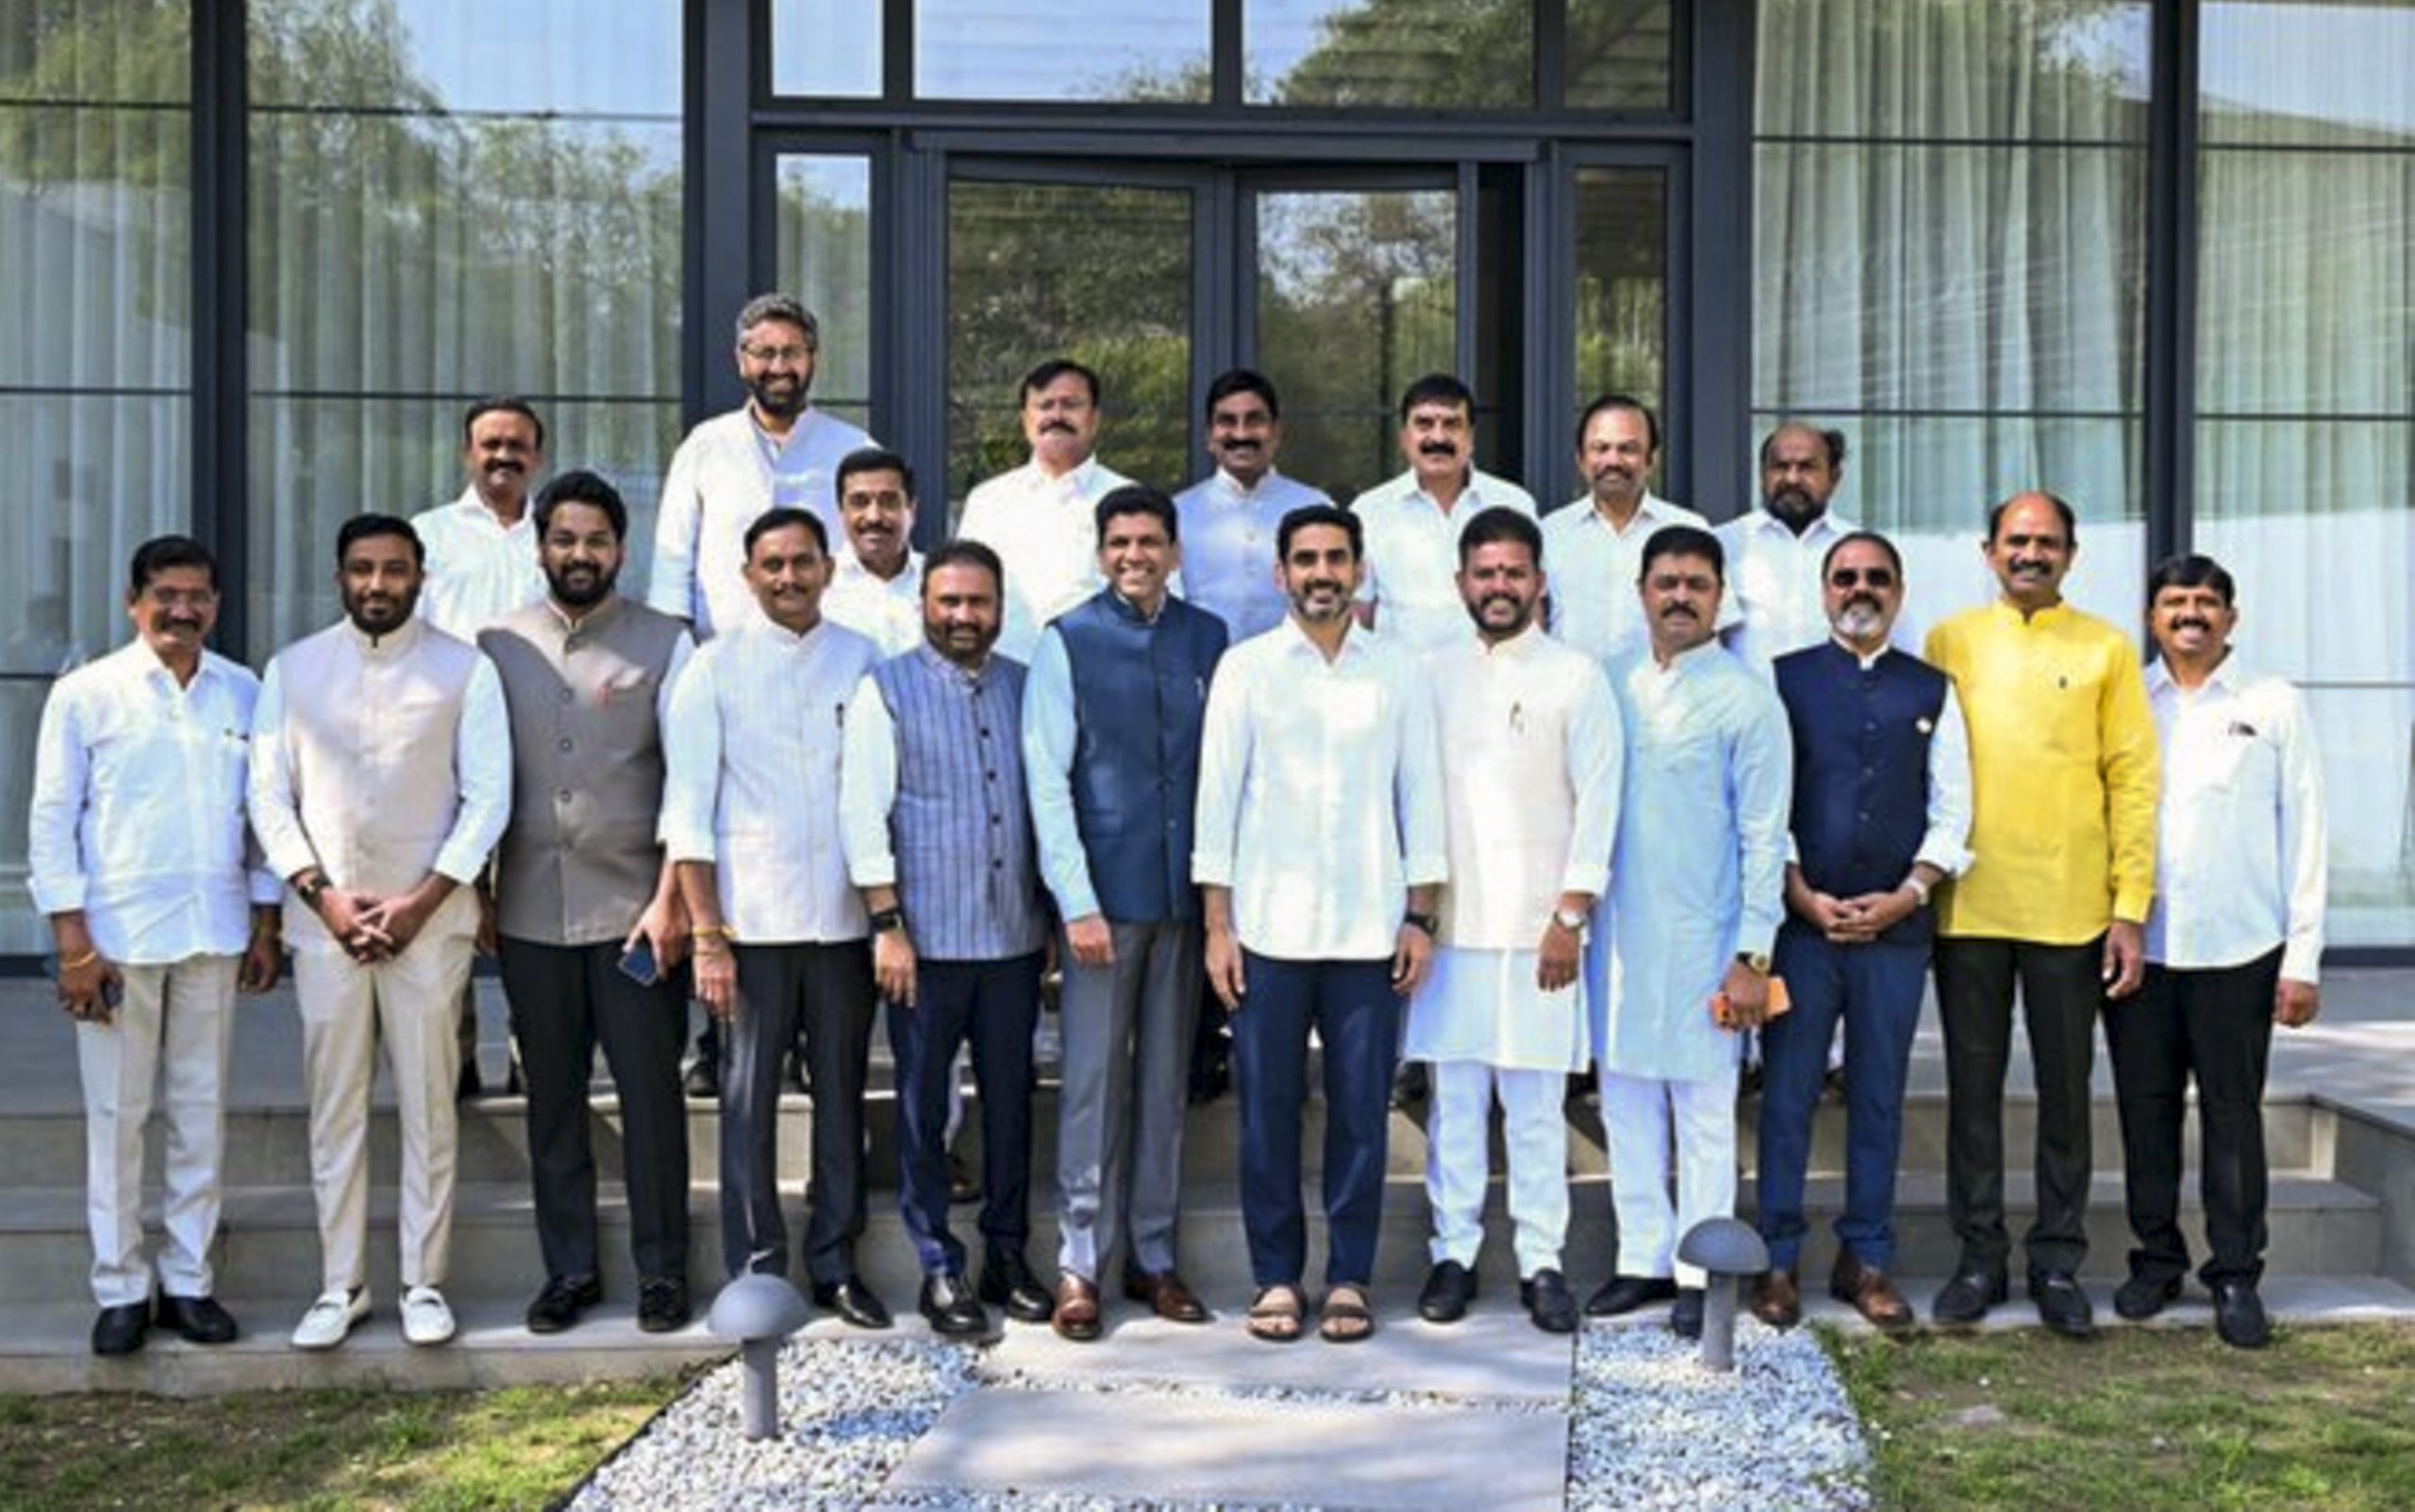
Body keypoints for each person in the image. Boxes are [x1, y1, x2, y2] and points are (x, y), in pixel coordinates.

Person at [249, 514, 510, 1351]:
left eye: (394, 570)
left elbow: (489, 798)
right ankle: (343, 1283)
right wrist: (322, 896)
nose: (377, 584)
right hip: (325, 927)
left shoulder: (465, 669)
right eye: (362, 568)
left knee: (431, 1104)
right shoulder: (292, 669)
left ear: (419, 577)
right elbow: (268, 798)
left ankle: (422, 1280)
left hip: (429, 926)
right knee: (336, 1107)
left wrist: (420, 903)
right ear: (340, 577)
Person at [1194, 504, 1446, 1345]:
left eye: (1337, 557)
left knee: (1360, 1113)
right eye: (1306, 559)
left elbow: (1422, 797)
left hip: (1371, 929)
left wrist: (1420, 916)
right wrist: (1218, 926)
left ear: (1359, 569)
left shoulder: (1398, 671)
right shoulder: (1246, 669)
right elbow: (1217, 802)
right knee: (1266, 1113)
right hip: (1267, 929)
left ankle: (1348, 1275)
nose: (1322, 573)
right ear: (1281, 574)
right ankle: (1275, 1274)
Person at [28, 536, 284, 1356]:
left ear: (216, 604)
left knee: (200, 1114)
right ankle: (119, 1287)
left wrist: (267, 919)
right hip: (117, 936)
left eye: (197, 595)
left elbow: (264, 813)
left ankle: (188, 1281)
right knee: (118, 1116)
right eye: (166, 595)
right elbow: (51, 819)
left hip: (215, 928)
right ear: (133, 603)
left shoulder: (243, 690)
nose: (182, 609)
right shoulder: (87, 693)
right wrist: (72, 939)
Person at [1924, 491, 2158, 1337]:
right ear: (1989, 551)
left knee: (2065, 1093)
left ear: (2071, 554)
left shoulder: (2106, 647)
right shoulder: (1949, 641)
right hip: (1969, 905)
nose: (2030, 553)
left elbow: (2133, 779)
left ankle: (2057, 1260)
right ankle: (1979, 1257)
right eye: (2016, 540)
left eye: (2047, 542)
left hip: (2072, 907)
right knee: (1972, 1094)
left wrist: (2130, 906)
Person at [659, 507, 890, 1328]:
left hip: (843, 920)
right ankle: (756, 1266)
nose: (789, 577)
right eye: (773, 564)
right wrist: (708, 938)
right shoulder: (712, 667)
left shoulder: (864, 659)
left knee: (841, 1096)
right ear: (748, 574)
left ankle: (835, 1262)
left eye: (802, 562)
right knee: (748, 1100)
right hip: (751, 925)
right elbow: (687, 814)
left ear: (827, 567)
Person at [479, 471, 695, 1335]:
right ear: (540, 547)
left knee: (651, 1100)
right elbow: (477, 780)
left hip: (638, 917)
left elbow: (691, 784)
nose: (580, 553)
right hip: (530, 913)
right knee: (554, 1103)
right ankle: (568, 1268)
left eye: (596, 540)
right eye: (564, 539)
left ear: (620, 548)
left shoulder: (667, 641)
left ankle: (663, 1271)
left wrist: (674, 899)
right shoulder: (496, 645)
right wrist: (480, 893)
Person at [1751, 531, 1972, 1332]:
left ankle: (1866, 1257)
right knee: (1788, 1095)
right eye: (1845, 577)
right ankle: (1777, 1257)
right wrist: (1799, 893)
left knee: (1878, 1095)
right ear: (1824, 591)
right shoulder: (1782, 680)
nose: (1860, 589)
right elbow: (1765, 802)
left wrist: (1908, 894)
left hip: (1896, 936)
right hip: (1802, 931)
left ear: (1898, 593)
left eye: (1877, 577)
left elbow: (1954, 808)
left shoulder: (1933, 688)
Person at [1024, 486, 1229, 1339]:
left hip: (1182, 899)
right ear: (1101, 551)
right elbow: (1047, 778)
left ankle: (1153, 1254)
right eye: (1120, 542)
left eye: (1149, 541)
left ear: (1175, 552)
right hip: (1102, 905)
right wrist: (1074, 900)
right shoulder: (1067, 639)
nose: (1134, 556)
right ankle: (1081, 1261)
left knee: (1163, 1085)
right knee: (1093, 1087)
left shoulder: (1209, 638)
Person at [2107, 554, 2325, 1349]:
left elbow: (2306, 829)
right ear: (2152, 617)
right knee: (2146, 1113)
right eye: (2175, 601)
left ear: (2231, 617)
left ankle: (2235, 1274)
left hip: (2242, 947)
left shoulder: (2273, 702)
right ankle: (2156, 1260)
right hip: (2144, 945)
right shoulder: (2127, 698)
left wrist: (2302, 957)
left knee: (2233, 1116)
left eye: (2206, 601)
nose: (2190, 613)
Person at [1407, 508, 1618, 1337]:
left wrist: (1571, 912)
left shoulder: (1576, 676)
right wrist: (1415, 915)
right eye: (1485, 573)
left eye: (1514, 572)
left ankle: (1542, 1261)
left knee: (1534, 1110)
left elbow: (1599, 802)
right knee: (1455, 1105)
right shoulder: (1427, 674)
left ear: (1539, 581)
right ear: (1461, 582)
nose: (1500, 586)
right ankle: (1453, 1253)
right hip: (1452, 927)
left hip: (1543, 930)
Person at [841, 540, 1057, 1337]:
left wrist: (1050, 915)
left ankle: (1008, 1254)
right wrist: (887, 924)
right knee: (925, 1108)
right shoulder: (886, 688)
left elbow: (1046, 803)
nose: (964, 615)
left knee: (1011, 1106)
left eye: (978, 601)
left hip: (1012, 940)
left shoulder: (1028, 686)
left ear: (999, 607)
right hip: (924, 946)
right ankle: (938, 1264)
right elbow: (862, 813)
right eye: (950, 601)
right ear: (924, 605)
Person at [1587, 524, 1790, 1339]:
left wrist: (1752, 954)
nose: (1679, 596)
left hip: (1710, 938)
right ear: (1641, 590)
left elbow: (1765, 838)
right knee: (1626, 1099)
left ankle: (1701, 1269)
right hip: (1617, 938)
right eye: (1665, 582)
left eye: (1696, 584)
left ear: (1719, 597)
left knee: (1704, 1111)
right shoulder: (1607, 681)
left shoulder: (1747, 699)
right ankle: (1642, 1255)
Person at [408, 395, 550, 1099]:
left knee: (527, 911)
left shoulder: (555, 535)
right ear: (468, 453)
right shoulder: (429, 535)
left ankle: (532, 1061)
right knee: (452, 904)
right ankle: (455, 1063)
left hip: (538, 747)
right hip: (448, 748)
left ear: (537, 457)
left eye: (516, 445)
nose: (503, 456)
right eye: (490, 444)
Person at [647, 292, 876, 641]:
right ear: (741, 360)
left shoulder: (855, 450)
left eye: (792, 352)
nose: (779, 367)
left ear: (813, 359)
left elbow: (876, 560)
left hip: (827, 651)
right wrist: (675, 648)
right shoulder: (705, 446)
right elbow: (673, 562)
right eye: (765, 353)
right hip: (722, 651)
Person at [956, 357, 1137, 661]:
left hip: (1100, 675)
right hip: (1005, 677)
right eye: (1044, 405)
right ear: (1025, 420)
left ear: (1094, 418)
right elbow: (962, 591)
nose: (1056, 415)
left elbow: (1160, 601)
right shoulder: (988, 501)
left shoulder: (1131, 500)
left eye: (1071, 405)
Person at [1346, 374, 1539, 657]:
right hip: (1402, 678)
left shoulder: (1513, 502)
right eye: (1424, 424)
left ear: (1470, 437)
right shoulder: (1370, 510)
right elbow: (1359, 613)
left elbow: (1532, 603)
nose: (1438, 437)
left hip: (1495, 675)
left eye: (1452, 424)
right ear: (1404, 437)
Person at [1541, 394, 1718, 668]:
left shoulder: (1691, 529)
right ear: (1580, 459)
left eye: (1628, 449)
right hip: (1570, 691)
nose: (1613, 460)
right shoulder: (1550, 533)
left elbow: (1716, 627)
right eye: (1600, 448)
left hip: (1666, 690)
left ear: (1651, 459)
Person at [1172, 369, 1333, 642]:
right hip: (1204, 664)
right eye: (1227, 421)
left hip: (1295, 663)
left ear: (1276, 432)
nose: (1241, 433)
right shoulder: (1177, 513)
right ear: (1209, 436)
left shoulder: (1316, 508)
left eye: (1254, 420)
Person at [1718, 423, 1864, 678]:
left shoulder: (1863, 551)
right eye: (1780, 466)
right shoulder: (1725, 543)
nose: (1792, 479)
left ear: (1834, 477)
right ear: (1762, 474)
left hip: (1837, 701)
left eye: (1807, 467)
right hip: (1747, 702)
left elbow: (1894, 646)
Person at [822, 447, 927, 656]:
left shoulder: (940, 580)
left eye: (888, 502)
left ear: (912, 509)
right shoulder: (819, 586)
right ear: (841, 511)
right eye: (859, 502)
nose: (874, 517)